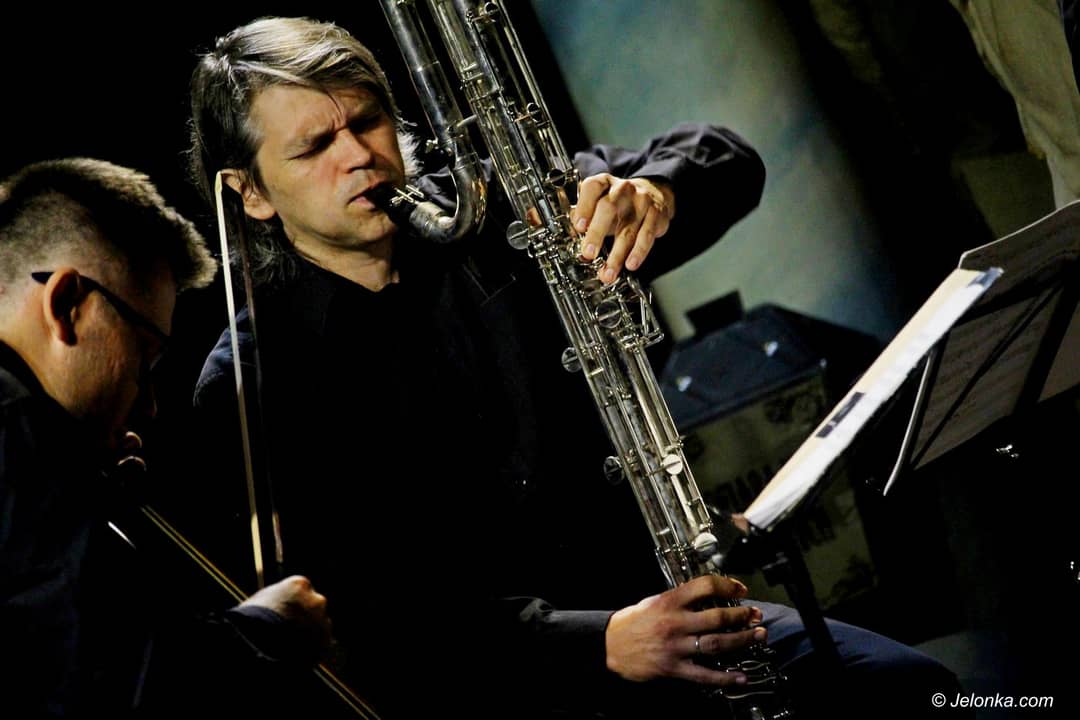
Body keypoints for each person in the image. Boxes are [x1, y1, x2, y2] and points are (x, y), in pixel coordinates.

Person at [183, 15, 966, 720]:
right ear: (250, 194)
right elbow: (374, 625)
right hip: (512, 689)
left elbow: (729, 159)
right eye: (315, 147)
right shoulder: (250, 387)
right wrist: (599, 642)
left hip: (672, 613)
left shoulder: (489, 213)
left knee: (919, 690)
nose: (359, 156)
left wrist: (653, 193)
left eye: (367, 121)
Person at [0, 157, 334, 718]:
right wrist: (267, 629)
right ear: (67, 304)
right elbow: (121, 689)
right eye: (144, 357)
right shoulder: (15, 429)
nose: (148, 404)